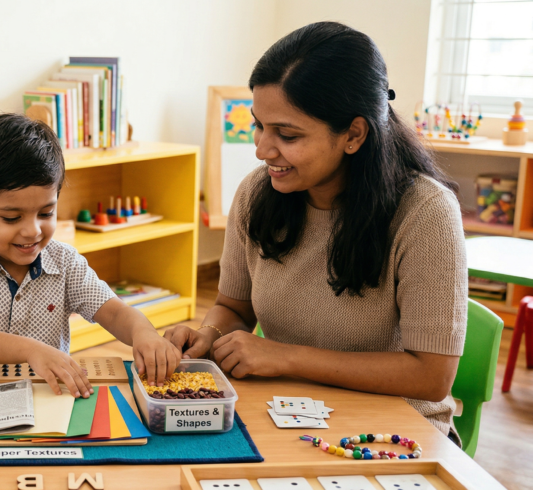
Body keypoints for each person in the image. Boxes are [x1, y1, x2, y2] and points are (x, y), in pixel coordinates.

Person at [164, 22, 466, 437]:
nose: (262, 150)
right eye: (258, 125)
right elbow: (234, 309)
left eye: (287, 135)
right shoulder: (256, 192)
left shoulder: (426, 213)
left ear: (353, 134)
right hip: (287, 414)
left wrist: (285, 357)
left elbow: (431, 377)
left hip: (394, 432)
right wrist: (208, 335)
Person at [0, 113, 181, 398]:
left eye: (46, 213)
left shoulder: (65, 262)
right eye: (11, 218)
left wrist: (142, 332)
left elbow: (113, 311)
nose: (32, 231)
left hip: (46, 395)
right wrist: (30, 350)